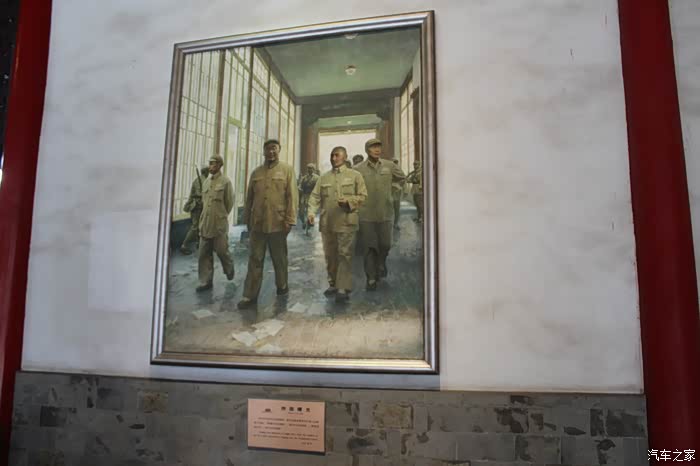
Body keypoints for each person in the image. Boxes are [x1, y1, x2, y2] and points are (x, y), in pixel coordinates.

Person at [238, 139, 298, 309]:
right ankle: (249, 295)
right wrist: (246, 219)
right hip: (257, 223)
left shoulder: (287, 170)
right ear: (264, 151)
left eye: (274, 149)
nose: (271, 152)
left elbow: (292, 197)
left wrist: (289, 220)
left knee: (279, 258)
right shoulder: (256, 172)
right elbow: (249, 198)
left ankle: (282, 285)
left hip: (278, 222)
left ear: (279, 151)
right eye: (268, 149)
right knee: (255, 259)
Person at [307, 146, 367, 303]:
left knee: (344, 254)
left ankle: (342, 287)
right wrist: (311, 213)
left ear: (345, 157)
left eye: (337, 155)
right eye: (332, 155)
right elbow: (314, 197)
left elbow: (363, 196)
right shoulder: (324, 178)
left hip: (347, 221)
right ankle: (333, 283)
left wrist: (349, 201)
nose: (334, 158)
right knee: (330, 255)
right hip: (328, 223)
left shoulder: (355, 176)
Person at [353, 139, 406, 290]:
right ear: (367, 150)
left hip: (385, 213)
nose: (377, 150)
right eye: (373, 147)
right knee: (369, 247)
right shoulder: (358, 169)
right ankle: (370, 278)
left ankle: (381, 262)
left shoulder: (390, 166)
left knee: (385, 244)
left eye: (379, 147)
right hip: (366, 215)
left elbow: (402, 178)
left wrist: (394, 189)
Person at [196, 155, 234, 292]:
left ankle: (229, 268)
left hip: (218, 224)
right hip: (205, 223)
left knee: (222, 251)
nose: (210, 166)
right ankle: (205, 281)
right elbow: (204, 202)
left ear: (219, 165)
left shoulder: (225, 182)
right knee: (203, 254)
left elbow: (229, 203)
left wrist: (220, 215)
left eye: (213, 163)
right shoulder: (206, 182)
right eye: (210, 163)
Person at [180, 165, 209, 255]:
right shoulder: (200, 181)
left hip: (200, 206)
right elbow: (198, 193)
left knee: (200, 226)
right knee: (195, 227)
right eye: (208, 171)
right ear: (206, 172)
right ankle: (184, 245)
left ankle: (198, 243)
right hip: (196, 206)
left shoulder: (202, 180)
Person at [298, 163, 319, 234]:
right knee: (301, 212)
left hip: (312, 196)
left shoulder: (317, 178)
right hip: (304, 196)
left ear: (314, 169)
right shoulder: (304, 177)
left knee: (309, 212)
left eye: (311, 168)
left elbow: (318, 188)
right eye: (308, 168)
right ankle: (304, 222)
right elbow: (300, 185)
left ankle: (308, 227)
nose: (309, 170)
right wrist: (299, 188)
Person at [391, 159, 406, 229]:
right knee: (389, 209)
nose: (395, 164)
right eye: (393, 163)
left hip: (396, 192)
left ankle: (396, 223)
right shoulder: (389, 170)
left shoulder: (399, 171)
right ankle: (391, 223)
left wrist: (399, 186)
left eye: (395, 163)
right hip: (388, 192)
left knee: (396, 208)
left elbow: (404, 179)